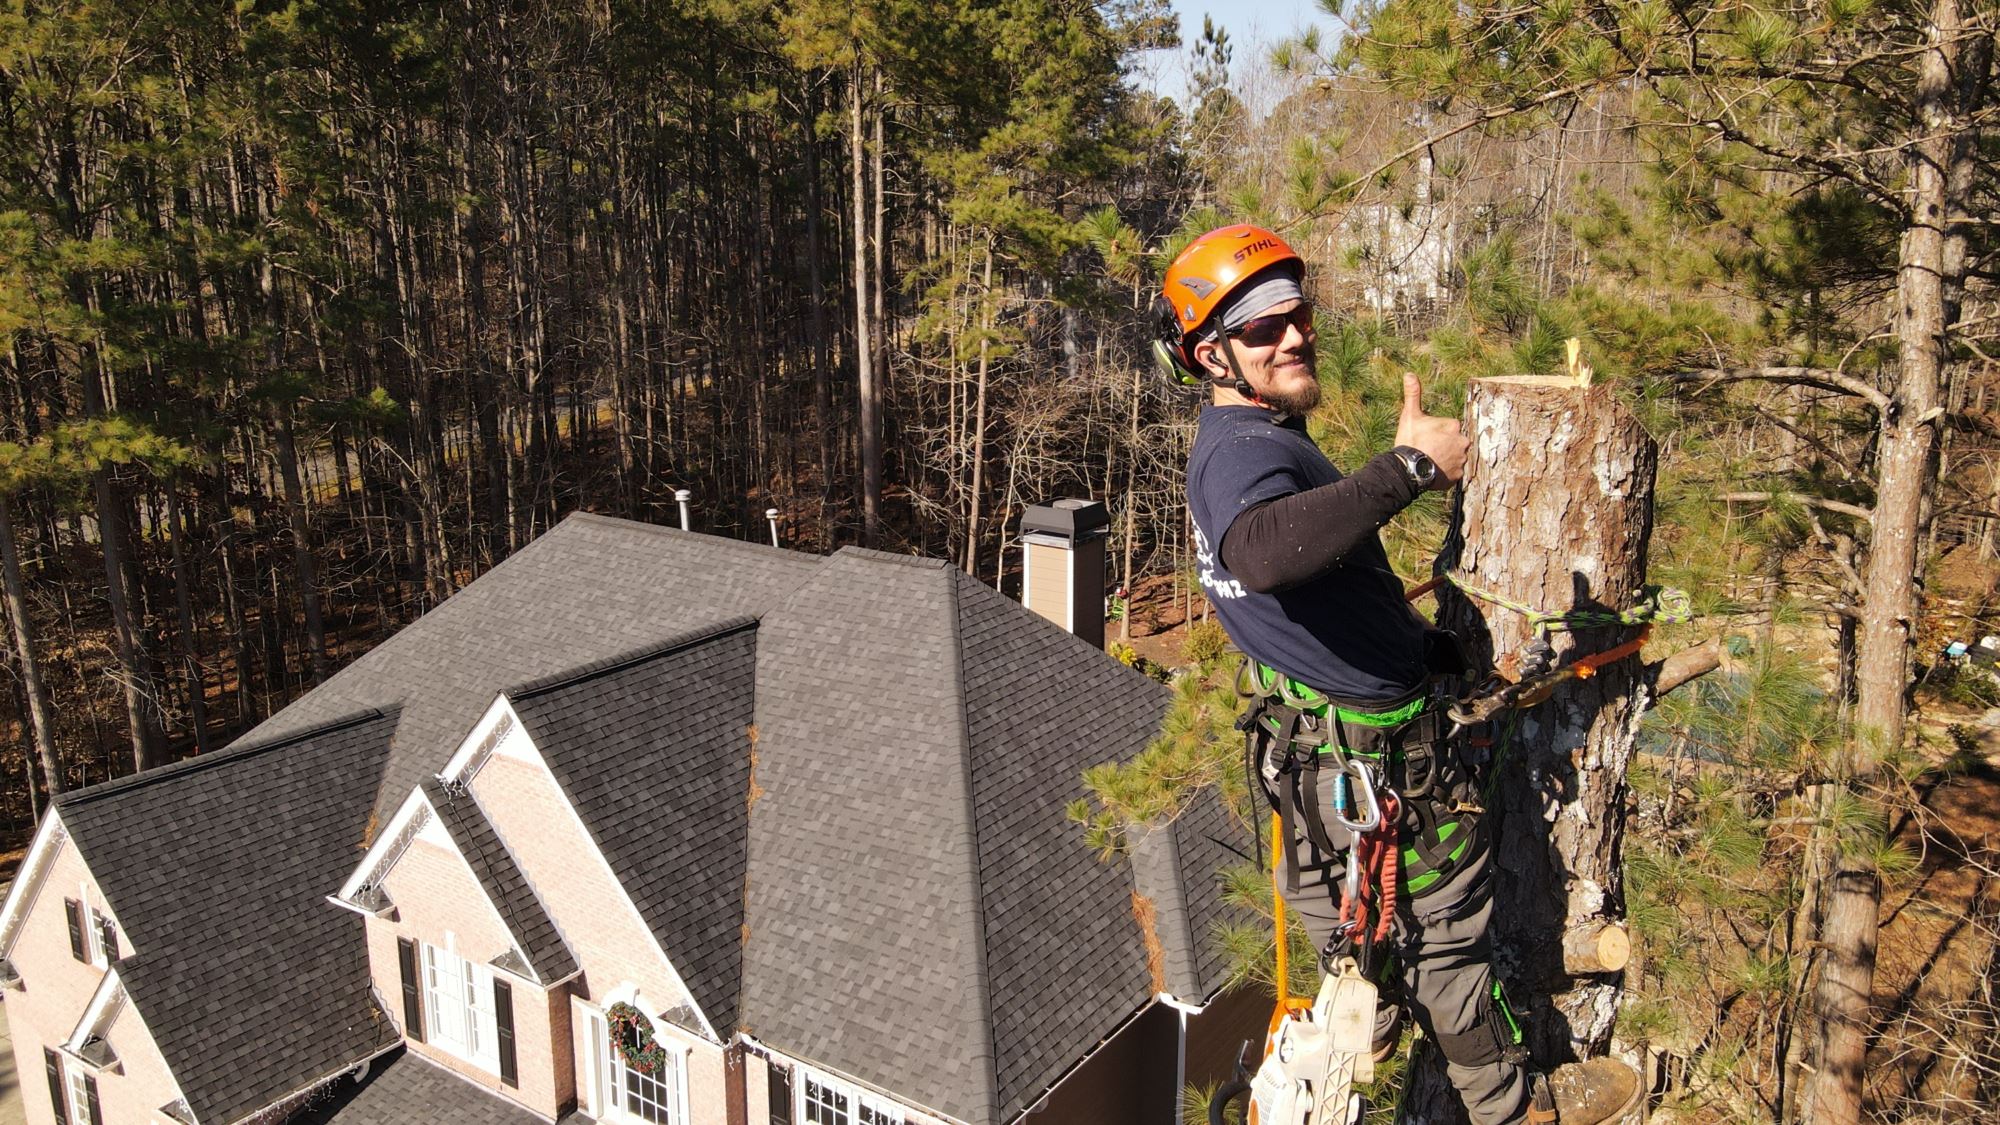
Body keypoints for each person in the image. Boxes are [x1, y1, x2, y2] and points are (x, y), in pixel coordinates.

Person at [1158, 224, 1640, 1125]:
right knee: (1447, 945)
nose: (1295, 335)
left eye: (1298, 315)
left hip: (1317, 765)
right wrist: (1409, 467)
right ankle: (1516, 1105)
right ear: (1210, 354)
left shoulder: (1253, 439)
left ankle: (1367, 1023)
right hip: (1377, 773)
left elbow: (1320, 593)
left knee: (1350, 923)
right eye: (1263, 328)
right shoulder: (1240, 453)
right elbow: (1263, 554)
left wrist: (1430, 651)